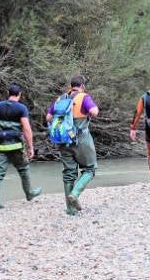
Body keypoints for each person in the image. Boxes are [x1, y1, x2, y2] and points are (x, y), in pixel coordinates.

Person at [46, 75, 99, 215]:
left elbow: (48, 117)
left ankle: (70, 209)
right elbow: (94, 112)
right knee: (90, 169)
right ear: (82, 86)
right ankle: (75, 194)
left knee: (69, 173)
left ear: (71, 86)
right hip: (81, 139)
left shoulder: (60, 99)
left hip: (63, 140)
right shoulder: (84, 97)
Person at [0, 84, 41, 210]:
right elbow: (27, 129)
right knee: (23, 169)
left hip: (0, 146)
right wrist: (30, 147)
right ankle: (29, 193)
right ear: (19, 94)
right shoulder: (21, 108)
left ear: (8, 93)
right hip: (16, 146)